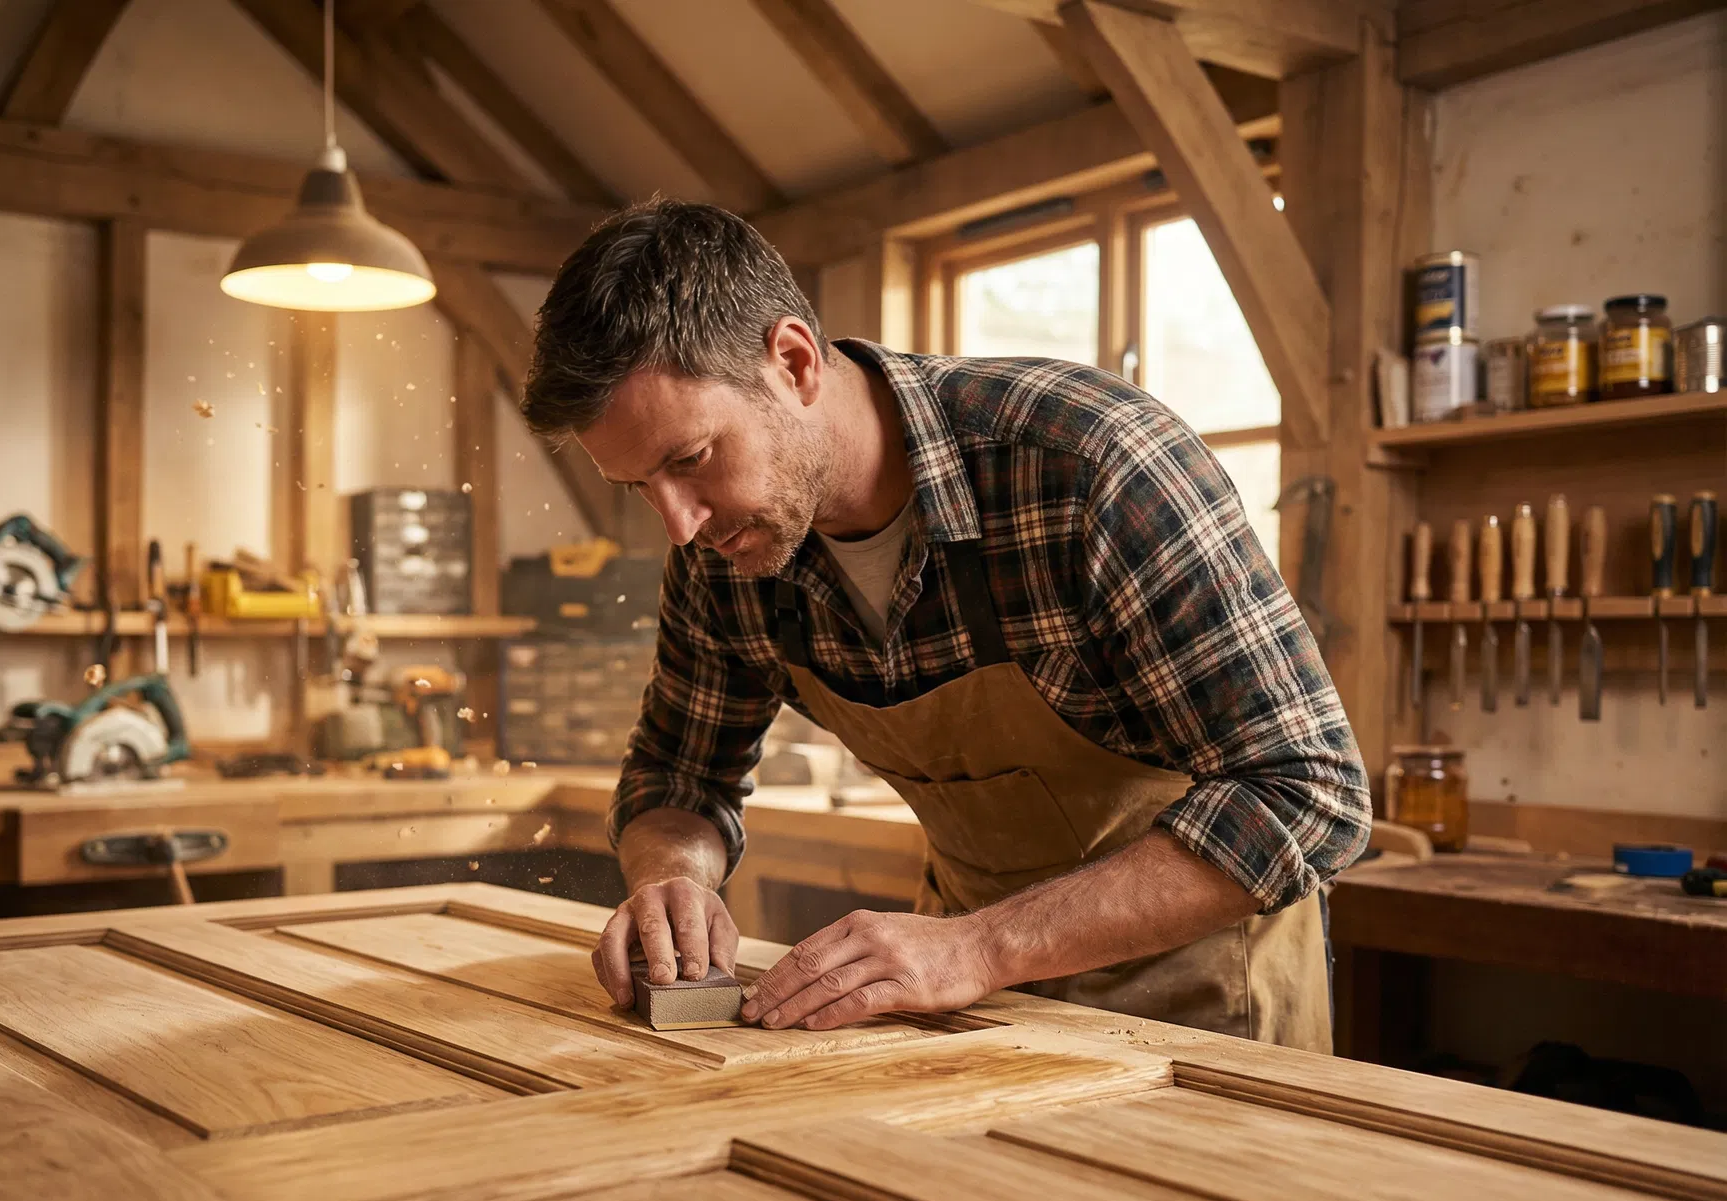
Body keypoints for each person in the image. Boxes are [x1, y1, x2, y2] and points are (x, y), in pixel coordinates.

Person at [520, 199, 1370, 1050]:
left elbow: (1307, 792)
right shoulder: (725, 549)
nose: (678, 524)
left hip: (1205, 1003)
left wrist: (983, 945)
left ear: (794, 362)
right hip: (968, 1003)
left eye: (691, 459)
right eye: (640, 486)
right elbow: (678, 776)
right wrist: (672, 878)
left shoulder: (1090, 463)